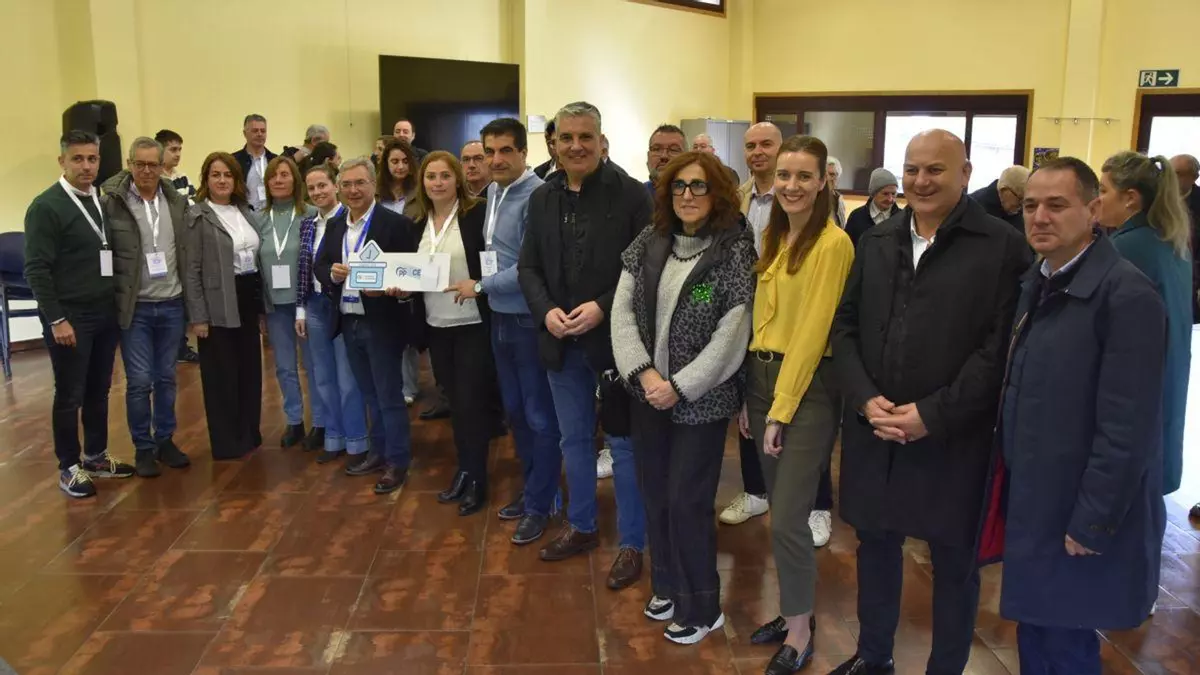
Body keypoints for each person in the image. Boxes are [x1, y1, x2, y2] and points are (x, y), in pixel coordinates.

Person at [828, 130, 1031, 675]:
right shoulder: (877, 239)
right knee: (875, 546)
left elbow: (998, 350)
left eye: (935, 170)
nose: (920, 181)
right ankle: (874, 657)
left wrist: (931, 414)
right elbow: (844, 327)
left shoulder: (1002, 246)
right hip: (875, 430)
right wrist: (864, 398)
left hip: (952, 436)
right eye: (912, 169)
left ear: (965, 174)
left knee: (954, 562)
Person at [997, 156, 1166, 675]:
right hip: (1037, 496)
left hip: (1076, 506)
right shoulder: (1039, 280)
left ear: (1093, 211)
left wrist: (1093, 519)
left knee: (1066, 643)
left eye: (1056, 205)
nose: (1039, 217)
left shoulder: (1126, 295)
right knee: (1037, 629)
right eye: (1030, 205)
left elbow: (1127, 428)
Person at [612, 150, 756, 645]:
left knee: (687, 501)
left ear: (718, 195)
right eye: (679, 186)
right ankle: (668, 586)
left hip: (701, 400)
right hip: (648, 394)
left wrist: (680, 386)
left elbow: (731, 335)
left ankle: (702, 607)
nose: (687, 195)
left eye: (699, 186)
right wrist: (645, 374)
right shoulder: (649, 242)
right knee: (656, 494)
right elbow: (622, 313)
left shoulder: (734, 250)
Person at [518, 101, 649, 589]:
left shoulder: (632, 195)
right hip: (560, 340)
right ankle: (583, 526)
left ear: (601, 140)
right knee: (572, 439)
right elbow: (528, 267)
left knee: (623, 445)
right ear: (553, 143)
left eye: (585, 137)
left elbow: (645, 267)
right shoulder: (542, 198)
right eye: (566, 138)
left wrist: (602, 307)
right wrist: (545, 311)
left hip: (616, 342)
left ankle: (633, 542)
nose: (575, 146)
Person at [740, 136, 854, 673]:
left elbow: (812, 332)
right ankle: (791, 613)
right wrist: (750, 397)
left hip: (806, 388)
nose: (791, 185)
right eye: (784, 175)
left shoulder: (833, 244)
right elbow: (759, 318)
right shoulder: (776, 235)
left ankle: (803, 630)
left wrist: (781, 408)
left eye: (804, 176)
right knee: (778, 516)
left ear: (823, 180)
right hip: (761, 378)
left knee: (788, 517)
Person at [25, 130, 133, 498]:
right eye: (77, 159)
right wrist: (57, 319)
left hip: (103, 312)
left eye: (92, 159)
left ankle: (96, 456)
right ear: (62, 161)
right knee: (70, 393)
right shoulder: (46, 206)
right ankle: (69, 466)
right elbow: (36, 269)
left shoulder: (99, 201)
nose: (86, 166)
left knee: (99, 389)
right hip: (70, 317)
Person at [478, 118, 560, 543]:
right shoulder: (493, 191)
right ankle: (535, 492)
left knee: (539, 416)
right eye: (489, 152)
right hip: (500, 316)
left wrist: (480, 286)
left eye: (505, 150)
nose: (496, 160)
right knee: (514, 411)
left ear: (524, 153)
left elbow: (530, 267)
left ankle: (542, 504)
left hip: (527, 320)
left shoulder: (538, 195)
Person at [315, 157, 418, 495]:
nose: (353, 190)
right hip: (348, 320)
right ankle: (379, 452)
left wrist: (394, 288)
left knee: (389, 395)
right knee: (369, 393)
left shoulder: (395, 224)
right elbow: (320, 265)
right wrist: (332, 274)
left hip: (382, 322)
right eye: (346, 184)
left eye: (360, 183)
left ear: (374, 184)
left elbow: (410, 272)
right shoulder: (336, 225)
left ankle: (398, 461)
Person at [1096, 151, 1191, 497]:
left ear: (1130, 199)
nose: (1096, 199)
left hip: (1138, 381)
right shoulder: (1170, 240)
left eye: (1103, 190)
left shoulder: (1125, 248)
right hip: (1169, 371)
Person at [414, 151, 498, 515]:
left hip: (472, 326)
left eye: (445, 176)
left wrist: (479, 285)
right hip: (436, 325)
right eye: (431, 176)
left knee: (471, 405)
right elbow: (411, 271)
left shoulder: (477, 215)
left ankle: (478, 479)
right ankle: (464, 470)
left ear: (457, 179)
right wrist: (400, 287)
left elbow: (492, 264)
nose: (438, 183)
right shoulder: (418, 222)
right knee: (455, 407)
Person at [102, 137, 192, 478]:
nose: (146, 171)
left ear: (161, 166)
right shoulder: (113, 202)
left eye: (153, 164)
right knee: (139, 381)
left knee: (167, 378)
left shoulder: (176, 201)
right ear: (129, 164)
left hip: (172, 303)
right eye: (139, 164)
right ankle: (143, 447)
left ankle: (165, 440)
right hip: (135, 307)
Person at [720, 121, 782, 528]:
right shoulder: (735, 198)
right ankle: (755, 491)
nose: (757, 152)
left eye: (766, 144)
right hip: (744, 310)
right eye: (750, 145)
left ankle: (814, 504)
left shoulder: (800, 195)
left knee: (795, 406)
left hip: (787, 311)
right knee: (747, 403)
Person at [183, 152, 264, 461]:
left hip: (247, 294)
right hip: (217, 301)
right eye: (215, 174)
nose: (222, 180)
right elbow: (191, 269)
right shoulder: (198, 215)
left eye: (227, 174)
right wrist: (198, 316)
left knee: (249, 369)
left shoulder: (245, 210)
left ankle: (249, 432)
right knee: (222, 374)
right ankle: (227, 441)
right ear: (206, 179)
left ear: (236, 179)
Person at [295, 164, 369, 466]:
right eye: (311, 188)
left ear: (335, 186)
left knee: (347, 379)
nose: (317, 192)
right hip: (314, 305)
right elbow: (303, 270)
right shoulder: (308, 224)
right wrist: (300, 309)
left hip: (341, 306)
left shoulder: (349, 220)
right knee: (322, 377)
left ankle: (356, 441)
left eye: (322, 185)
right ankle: (334, 437)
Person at [257, 156, 318, 449]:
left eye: (284, 174)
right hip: (274, 305)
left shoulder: (311, 214)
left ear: (295, 179)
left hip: (307, 302)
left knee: (313, 364)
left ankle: (320, 421)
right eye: (273, 176)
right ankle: (294, 420)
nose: (279, 180)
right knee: (284, 366)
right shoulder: (258, 218)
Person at [377, 138, 432, 410]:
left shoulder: (420, 194)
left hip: (411, 265)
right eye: (394, 161)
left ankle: (409, 386)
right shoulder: (377, 197)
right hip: (381, 266)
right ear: (385, 165)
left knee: (409, 331)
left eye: (404, 161)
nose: (399, 166)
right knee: (385, 330)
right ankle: (388, 384)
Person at [156, 128, 201, 364]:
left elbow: (193, 205)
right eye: (173, 149)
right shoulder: (155, 180)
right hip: (162, 244)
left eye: (180, 149)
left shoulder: (182, 178)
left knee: (182, 295)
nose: (177, 154)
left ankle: (181, 345)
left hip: (184, 243)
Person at [1169, 154, 1200, 324]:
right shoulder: (1157, 197)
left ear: (1194, 177)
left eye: (1178, 173)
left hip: (1191, 273)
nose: (1171, 178)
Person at [845, 169, 901, 247]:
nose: (890, 199)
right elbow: (848, 247)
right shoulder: (856, 217)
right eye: (885, 194)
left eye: (893, 194)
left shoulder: (902, 218)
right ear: (873, 193)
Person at [233, 114, 276, 212]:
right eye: (255, 131)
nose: (260, 134)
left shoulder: (275, 160)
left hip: (272, 214)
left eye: (263, 131)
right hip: (244, 214)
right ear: (245, 133)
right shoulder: (234, 161)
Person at [970, 165, 1030, 232]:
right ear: (1004, 190)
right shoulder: (975, 208)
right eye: (1020, 199)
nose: (1021, 206)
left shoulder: (1012, 209)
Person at [643, 124, 687, 195]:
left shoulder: (699, 196)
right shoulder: (636, 194)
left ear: (687, 158)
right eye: (656, 149)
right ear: (648, 157)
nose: (664, 156)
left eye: (673, 150)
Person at [827, 157, 847, 227]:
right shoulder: (813, 198)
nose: (835, 178)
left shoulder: (839, 199)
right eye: (831, 174)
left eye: (837, 175)